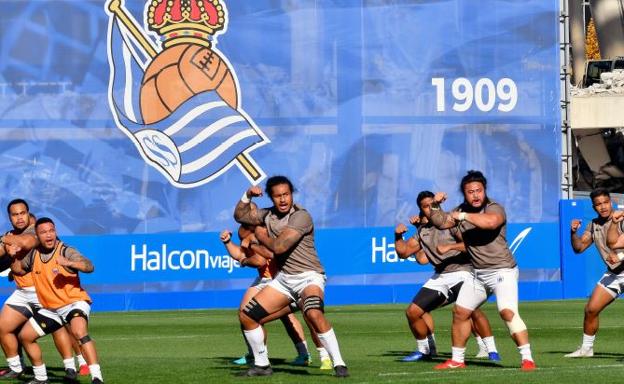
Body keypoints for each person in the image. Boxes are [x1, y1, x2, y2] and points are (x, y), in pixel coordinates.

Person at [233, 176, 348, 377]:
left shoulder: (301, 216)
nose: (283, 200)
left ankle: (339, 364)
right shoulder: (267, 214)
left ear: (292, 194)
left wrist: (259, 237)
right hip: (285, 281)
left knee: (313, 314)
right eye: (278, 196)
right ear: (271, 198)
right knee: (247, 316)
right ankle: (262, 365)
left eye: (286, 194)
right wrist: (248, 195)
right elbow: (239, 216)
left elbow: (279, 246)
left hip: (309, 277)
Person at [428, 170, 536, 371]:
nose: (475, 195)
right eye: (470, 192)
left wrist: (462, 216)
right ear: (464, 194)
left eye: (479, 190)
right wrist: (435, 204)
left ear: (484, 190)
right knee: (460, 312)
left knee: (507, 312)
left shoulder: (493, 207)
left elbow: (491, 222)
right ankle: (457, 360)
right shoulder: (460, 210)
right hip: (477, 274)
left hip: (502, 271)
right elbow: (440, 222)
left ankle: (527, 359)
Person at [394, 191, 499, 362]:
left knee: (471, 310)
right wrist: (398, 236)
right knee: (412, 312)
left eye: (431, 205)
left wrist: (450, 247)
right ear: (421, 209)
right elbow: (404, 253)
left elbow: (471, 245)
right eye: (425, 206)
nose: (429, 209)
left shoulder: (450, 222)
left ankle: (490, 348)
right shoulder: (422, 231)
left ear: (437, 205)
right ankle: (424, 350)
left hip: (464, 271)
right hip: (441, 275)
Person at [220, 222, 332, 369]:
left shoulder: (264, 237)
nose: (243, 241)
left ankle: (319, 356)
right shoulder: (247, 236)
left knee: (308, 316)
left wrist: (244, 258)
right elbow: (240, 254)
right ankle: (257, 355)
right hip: (264, 280)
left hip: (284, 279)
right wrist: (227, 242)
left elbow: (258, 261)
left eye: (244, 238)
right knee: (245, 313)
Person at [8, 217, 104, 384]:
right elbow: (19, 270)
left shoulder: (65, 250)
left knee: (79, 332)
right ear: (37, 236)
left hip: (74, 302)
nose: (49, 235)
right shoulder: (34, 254)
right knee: (25, 336)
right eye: (44, 232)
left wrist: (69, 263)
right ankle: (41, 378)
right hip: (51, 309)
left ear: (56, 232)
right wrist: (14, 256)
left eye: (51, 231)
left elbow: (89, 266)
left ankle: (97, 377)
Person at [0, 200, 77, 381]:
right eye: (15, 214)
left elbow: (25, 243)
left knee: (57, 329)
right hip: (23, 292)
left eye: (22, 213)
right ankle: (16, 367)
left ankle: (70, 367)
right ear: (9, 217)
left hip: (44, 289)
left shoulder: (37, 230)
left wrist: (4, 239)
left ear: (28, 213)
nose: (19, 217)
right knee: (3, 327)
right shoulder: (10, 236)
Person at [564, 188, 624, 357]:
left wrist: (619, 255)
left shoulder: (621, 219)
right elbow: (579, 248)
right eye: (598, 204)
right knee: (591, 309)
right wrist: (573, 232)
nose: (603, 207)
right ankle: (586, 349)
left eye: (605, 202)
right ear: (593, 207)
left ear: (611, 202)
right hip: (614, 274)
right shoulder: (593, 225)